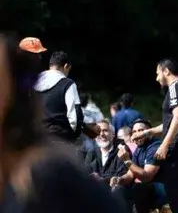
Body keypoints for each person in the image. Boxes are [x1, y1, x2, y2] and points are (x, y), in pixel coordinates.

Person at [0, 34, 127, 212]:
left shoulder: (35, 83)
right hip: (57, 147)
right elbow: (74, 118)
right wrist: (75, 137)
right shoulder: (65, 84)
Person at [131, 59, 178, 213]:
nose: (157, 78)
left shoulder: (175, 87)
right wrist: (147, 132)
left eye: (157, 73)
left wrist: (164, 144)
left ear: (166, 71)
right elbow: (172, 123)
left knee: (173, 189)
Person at [35, 51, 95, 144]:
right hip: (59, 139)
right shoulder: (67, 84)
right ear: (66, 66)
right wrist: (73, 136)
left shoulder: (35, 81)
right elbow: (74, 116)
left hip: (38, 138)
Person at [115, 119, 166, 213]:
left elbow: (147, 177)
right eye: (134, 131)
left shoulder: (155, 147)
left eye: (141, 130)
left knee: (139, 188)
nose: (137, 134)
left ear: (149, 132)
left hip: (162, 189)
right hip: (146, 189)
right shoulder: (139, 149)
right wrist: (118, 180)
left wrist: (127, 160)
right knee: (119, 189)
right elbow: (130, 175)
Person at [85, 119, 129, 187]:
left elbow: (122, 175)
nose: (101, 134)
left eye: (105, 130)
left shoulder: (122, 150)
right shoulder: (91, 153)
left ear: (113, 134)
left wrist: (102, 180)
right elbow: (85, 173)